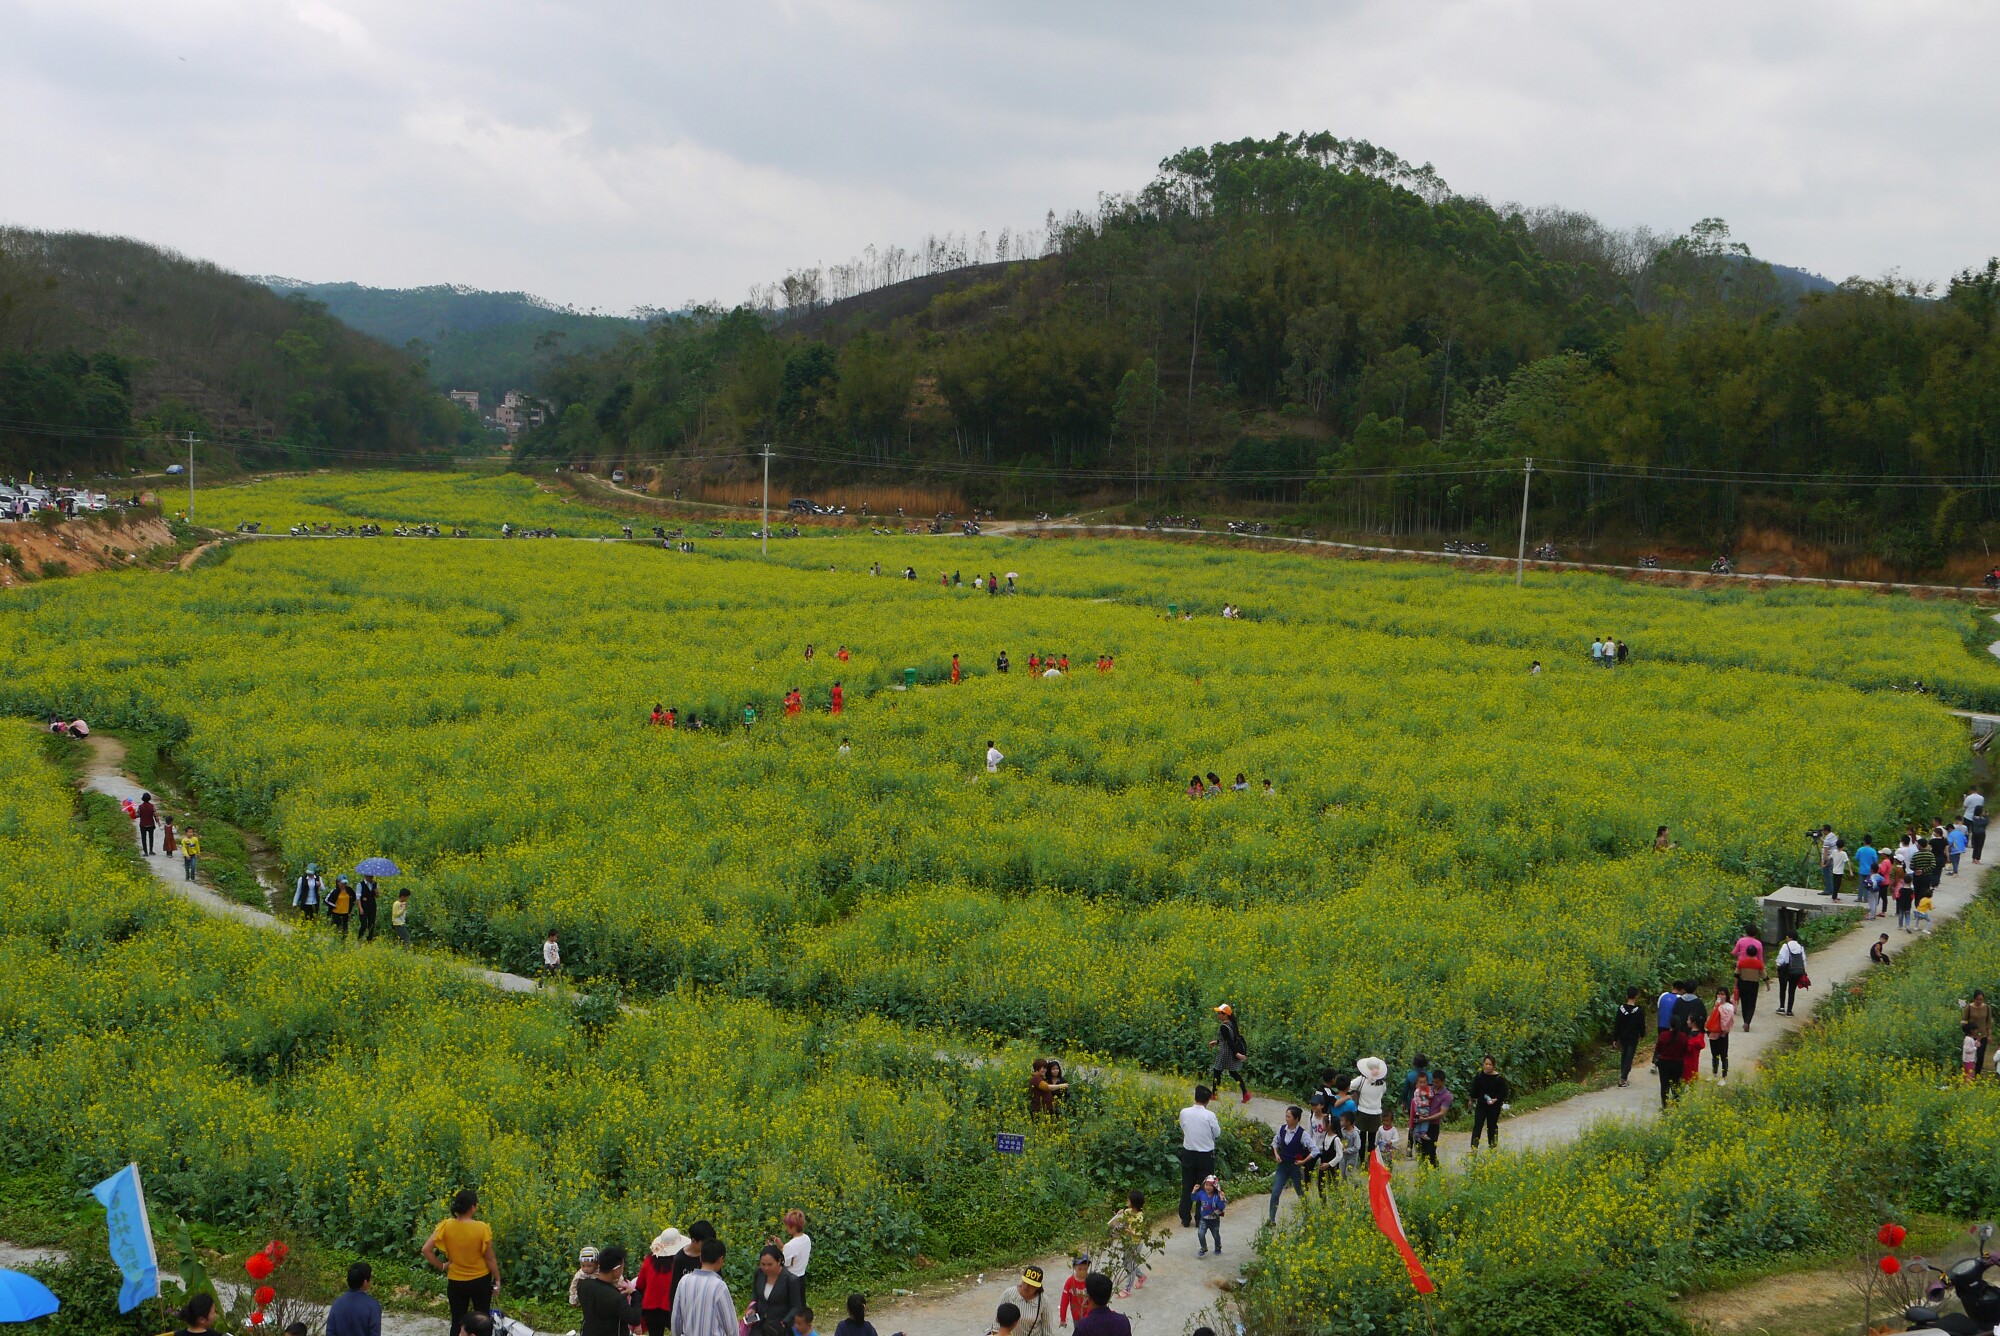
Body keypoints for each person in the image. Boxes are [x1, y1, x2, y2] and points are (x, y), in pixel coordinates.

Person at [422, 1188, 500, 1336]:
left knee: (457, 1321)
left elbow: (426, 1249)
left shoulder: (446, 1225)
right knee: (482, 1322)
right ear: (472, 1207)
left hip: (456, 1281)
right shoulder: (482, 1228)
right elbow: (490, 1258)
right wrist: (497, 1279)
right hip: (480, 1280)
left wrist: (442, 1265)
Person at [1176, 1085, 1220, 1226]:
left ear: (1195, 1097)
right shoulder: (1210, 1115)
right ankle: (1200, 1217)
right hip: (1205, 1155)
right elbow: (1217, 1133)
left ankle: (1185, 1217)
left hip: (1188, 1152)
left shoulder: (1184, 1112)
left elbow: (1183, 1127)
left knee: (1187, 1185)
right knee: (1205, 1186)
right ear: (1207, 1100)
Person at [671, 1239, 735, 1336]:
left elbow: (676, 1319)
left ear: (700, 1257)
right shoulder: (719, 1286)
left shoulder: (684, 1281)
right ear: (720, 1259)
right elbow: (731, 1326)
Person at [578, 1245, 645, 1336]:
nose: (622, 1271)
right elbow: (634, 1318)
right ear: (616, 1270)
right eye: (622, 1268)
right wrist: (634, 1293)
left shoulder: (582, 1285)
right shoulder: (616, 1297)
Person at [636, 1230, 687, 1336]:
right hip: (671, 1309)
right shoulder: (677, 1263)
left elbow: (640, 1285)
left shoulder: (648, 1260)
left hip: (651, 1309)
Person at [1268, 1106, 1311, 1221]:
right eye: (1286, 1116)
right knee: (1275, 1193)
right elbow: (1275, 1142)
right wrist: (1276, 1154)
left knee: (1300, 1192)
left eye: (1289, 1116)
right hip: (1282, 1166)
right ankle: (1271, 1219)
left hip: (1295, 1168)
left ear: (1296, 1119)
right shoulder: (1282, 1129)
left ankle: (1308, 1215)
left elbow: (1314, 1150)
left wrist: (1303, 1161)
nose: (1286, 1119)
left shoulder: (1303, 1134)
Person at [750, 1245, 803, 1336]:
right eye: (763, 1264)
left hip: (778, 1328)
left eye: (770, 1264)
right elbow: (755, 1294)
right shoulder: (759, 1273)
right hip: (759, 1324)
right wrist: (752, 1308)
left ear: (779, 1261)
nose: (766, 1268)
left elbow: (796, 1306)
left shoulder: (790, 1280)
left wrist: (784, 1322)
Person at [1106, 1191, 1149, 1297]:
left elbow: (1138, 1233)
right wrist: (1118, 1215)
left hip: (1135, 1243)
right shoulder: (1128, 1211)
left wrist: (1126, 1230)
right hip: (1127, 1241)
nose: (1127, 1201)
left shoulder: (1139, 1217)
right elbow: (1120, 1221)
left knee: (1131, 1265)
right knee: (1126, 1263)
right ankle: (1141, 1276)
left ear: (1134, 1203)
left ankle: (1127, 1290)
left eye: (1128, 1200)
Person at [325, 1261, 382, 1336]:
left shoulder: (337, 1303)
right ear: (365, 1282)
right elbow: (375, 1333)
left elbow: (330, 1332)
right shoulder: (373, 1305)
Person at [1210, 1004, 1249, 1102]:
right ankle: (1245, 1094)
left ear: (1225, 1015)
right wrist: (1217, 1042)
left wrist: (1237, 1054)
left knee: (1217, 1072)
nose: (1218, 1015)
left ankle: (1214, 1094)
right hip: (1230, 1053)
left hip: (1225, 1053)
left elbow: (1230, 1042)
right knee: (1233, 1073)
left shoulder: (1224, 1027)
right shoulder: (1232, 1024)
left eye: (1220, 1013)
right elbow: (1229, 1039)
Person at [1350, 1056, 1389, 1152]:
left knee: (1361, 1139)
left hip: (1362, 1112)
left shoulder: (1361, 1080)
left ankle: (1362, 1160)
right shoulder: (1382, 1084)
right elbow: (1383, 1092)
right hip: (1375, 1114)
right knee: (1372, 1141)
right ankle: (1371, 1162)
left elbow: (1350, 1086)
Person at [1469, 1056, 1508, 1148]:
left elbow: (1504, 1092)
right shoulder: (1479, 1076)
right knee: (1477, 1126)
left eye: (1490, 1064)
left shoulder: (1498, 1078)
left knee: (1492, 1126)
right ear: (1483, 1064)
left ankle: (1493, 1147)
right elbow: (1474, 1089)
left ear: (1494, 1066)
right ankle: (1474, 1147)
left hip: (1494, 1106)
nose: (1488, 1066)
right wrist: (1471, 1099)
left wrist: (1496, 1099)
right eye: (1486, 1064)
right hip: (1481, 1105)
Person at [1654, 1017, 1688, 1109]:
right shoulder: (1683, 1036)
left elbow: (1658, 1049)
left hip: (1664, 1063)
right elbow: (1685, 1050)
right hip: (1678, 1063)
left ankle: (1665, 1106)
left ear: (1670, 1024)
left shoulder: (1663, 1035)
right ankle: (1677, 1104)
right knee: (1676, 1084)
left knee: (1664, 1085)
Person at [1614, 988, 1646, 1087]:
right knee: (1629, 1057)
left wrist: (1615, 1038)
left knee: (1624, 1055)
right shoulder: (1638, 1011)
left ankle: (1623, 1075)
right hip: (1633, 1037)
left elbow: (1617, 1024)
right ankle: (1623, 1078)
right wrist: (1642, 1035)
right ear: (1637, 996)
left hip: (1623, 1036)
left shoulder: (1621, 1008)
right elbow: (1641, 1025)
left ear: (1626, 996)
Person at [1011, 1264, 1054, 1336]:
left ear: (1037, 1287)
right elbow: (997, 1323)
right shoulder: (1009, 1294)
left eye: (1031, 1285)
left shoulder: (1043, 1301)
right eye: (1024, 1282)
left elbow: (1047, 1329)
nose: (1026, 1287)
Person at [1706, 988, 1736, 1082]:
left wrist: (1719, 1009)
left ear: (1726, 995)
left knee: (1723, 1055)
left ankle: (1724, 1076)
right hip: (1713, 1033)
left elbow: (1726, 1020)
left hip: (1723, 1034)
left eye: (1722, 994)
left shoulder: (1729, 1006)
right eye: (1718, 994)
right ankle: (1714, 1073)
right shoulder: (1716, 1005)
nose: (1720, 996)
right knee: (1714, 1054)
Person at [1192, 1175, 1226, 1256]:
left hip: (1214, 1220)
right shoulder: (1201, 1193)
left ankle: (1218, 1247)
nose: (1208, 1187)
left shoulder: (1217, 1196)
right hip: (1204, 1219)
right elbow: (1193, 1198)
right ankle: (1203, 1248)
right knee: (1200, 1234)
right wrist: (1194, 1191)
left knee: (1216, 1235)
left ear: (1215, 1186)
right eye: (1206, 1185)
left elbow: (1221, 1207)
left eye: (1210, 1185)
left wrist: (1221, 1199)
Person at [1774, 932, 1807, 1016]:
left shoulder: (1785, 946)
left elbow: (1781, 959)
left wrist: (1777, 967)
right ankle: (1789, 1011)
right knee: (1792, 991)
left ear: (1789, 937)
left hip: (1785, 970)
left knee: (1783, 988)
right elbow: (1803, 960)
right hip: (1796, 971)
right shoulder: (1800, 947)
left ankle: (1782, 1007)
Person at [781, 1209, 811, 1299]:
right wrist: (781, 1247)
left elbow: (784, 1264)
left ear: (792, 1227)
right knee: (801, 1306)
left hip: (790, 1281)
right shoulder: (806, 1238)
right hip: (801, 1277)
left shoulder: (790, 1245)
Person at [1735, 947, 1765, 1032]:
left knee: (1744, 1004)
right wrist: (1768, 985)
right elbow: (1764, 976)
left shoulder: (1741, 963)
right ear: (1756, 953)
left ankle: (1745, 1021)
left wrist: (1735, 985)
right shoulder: (1759, 964)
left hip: (1742, 984)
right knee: (1751, 1005)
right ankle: (1747, 1022)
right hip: (1753, 985)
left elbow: (1736, 975)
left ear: (1747, 953)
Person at [1965, 991, 1992, 1076]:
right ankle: (1968, 1074)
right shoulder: (1969, 1007)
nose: (1979, 1001)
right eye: (1977, 999)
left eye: (1981, 999)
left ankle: (1977, 1075)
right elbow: (1964, 1020)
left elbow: (1988, 1022)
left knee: (1980, 1056)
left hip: (1982, 1036)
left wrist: (1989, 1035)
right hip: (1971, 1036)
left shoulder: (1987, 1008)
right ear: (1974, 999)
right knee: (1970, 1056)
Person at [1059, 1257, 1090, 1328]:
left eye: (1085, 1269)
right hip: (1076, 1316)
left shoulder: (1091, 1281)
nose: (1082, 1271)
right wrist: (1062, 1318)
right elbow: (1064, 1301)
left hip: (1090, 1315)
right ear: (1074, 1267)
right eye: (1079, 1269)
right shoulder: (1070, 1282)